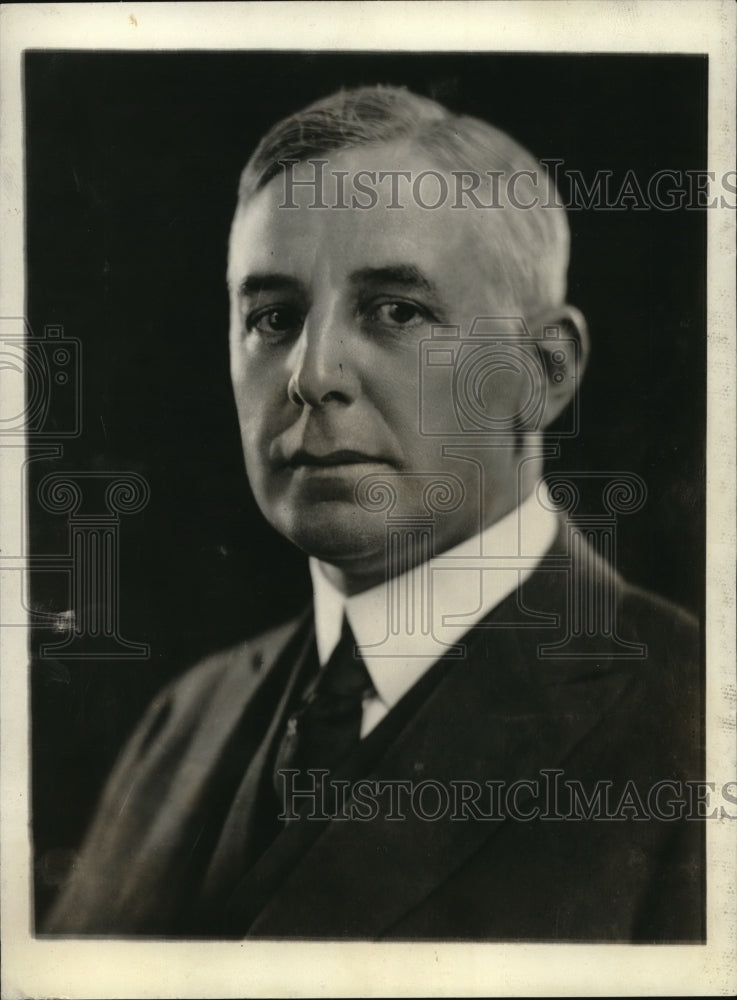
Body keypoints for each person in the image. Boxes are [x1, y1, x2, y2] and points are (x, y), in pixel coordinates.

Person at [44, 85, 702, 940]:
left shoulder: (694, 725)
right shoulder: (181, 724)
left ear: (543, 373)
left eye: (397, 311)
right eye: (273, 318)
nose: (311, 375)